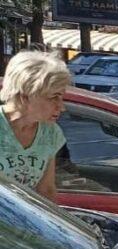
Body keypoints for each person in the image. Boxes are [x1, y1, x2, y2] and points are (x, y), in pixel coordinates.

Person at [0, 49, 71, 201]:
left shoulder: (50, 133)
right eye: (54, 97)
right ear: (25, 96)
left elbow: (46, 190)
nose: (61, 107)